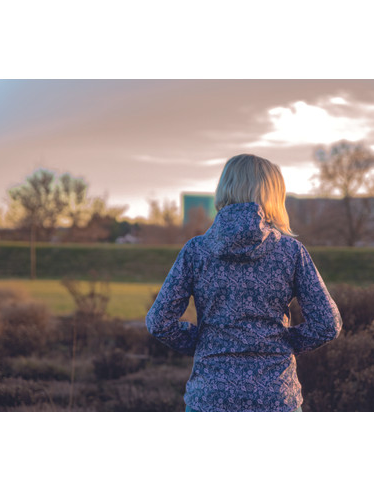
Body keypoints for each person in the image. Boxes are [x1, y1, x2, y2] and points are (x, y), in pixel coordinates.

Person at [146, 154, 342, 412]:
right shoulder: (291, 252)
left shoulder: (196, 251)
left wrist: (205, 343)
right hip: (274, 397)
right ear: (273, 195)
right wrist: (280, 342)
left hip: (210, 397)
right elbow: (327, 324)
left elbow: (159, 322)